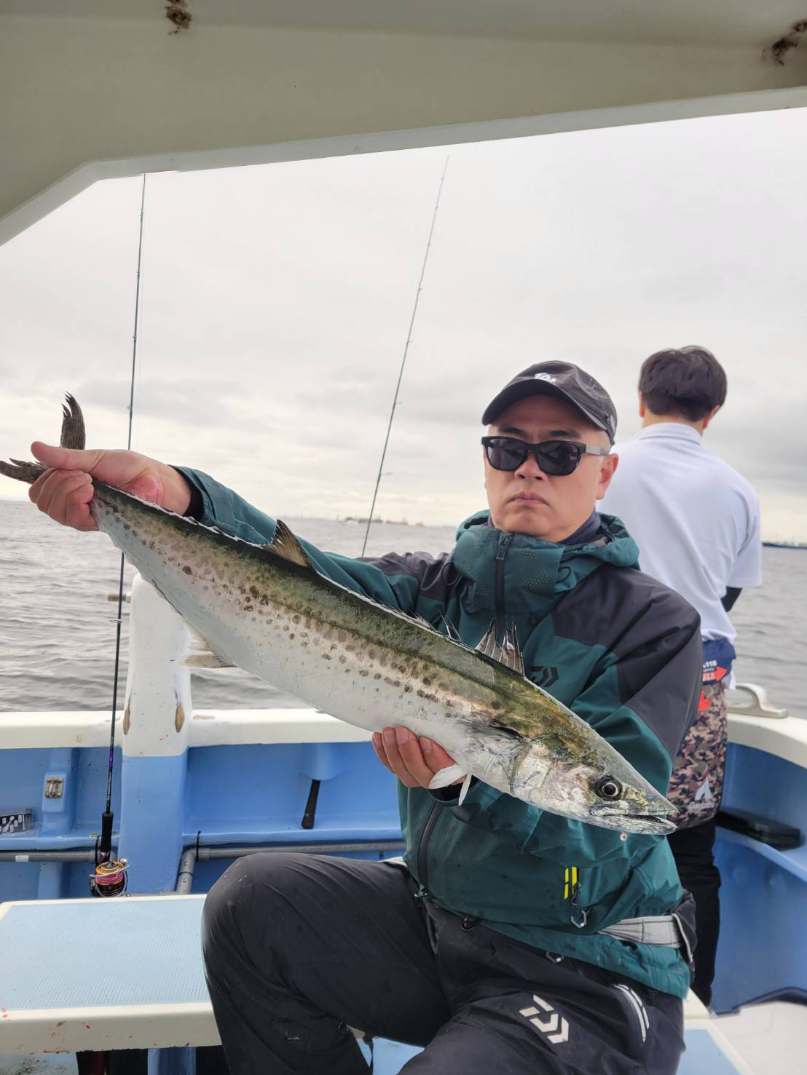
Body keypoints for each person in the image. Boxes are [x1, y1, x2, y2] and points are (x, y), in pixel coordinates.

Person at [28, 361, 702, 1075]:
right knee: (253, 904)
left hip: (586, 964)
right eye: (508, 447)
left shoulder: (653, 623)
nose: (528, 468)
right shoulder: (426, 589)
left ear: (604, 472)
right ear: (486, 460)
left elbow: (599, 831)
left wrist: (463, 785)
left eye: (560, 451)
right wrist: (179, 497)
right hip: (441, 926)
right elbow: (301, 578)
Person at [600, 345, 762, 1007]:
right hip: (700, 679)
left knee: (591, 830)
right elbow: (727, 593)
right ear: (712, 411)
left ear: (641, 400)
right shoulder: (738, 489)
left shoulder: (603, 467)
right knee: (690, 848)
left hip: (607, 673)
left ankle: (591, 985)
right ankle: (696, 994)